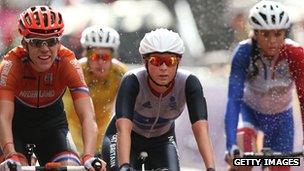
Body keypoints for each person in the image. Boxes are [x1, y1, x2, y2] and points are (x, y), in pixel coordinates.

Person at [0, 5, 106, 171]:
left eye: (51, 41)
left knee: (70, 167)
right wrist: (10, 154)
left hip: (52, 126)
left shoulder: (67, 61)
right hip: (15, 127)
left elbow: (87, 116)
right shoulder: (11, 64)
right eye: (36, 42)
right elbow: (3, 116)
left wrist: (89, 155)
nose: (44, 49)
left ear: (59, 42)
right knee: (15, 167)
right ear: (24, 43)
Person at [101, 28, 216, 171]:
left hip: (162, 140)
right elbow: (123, 129)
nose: (163, 68)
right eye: (156, 61)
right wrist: (124, 166)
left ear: (178, 61)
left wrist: (211, 168)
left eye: (170, 61)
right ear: (145, 62)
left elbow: (201, 130)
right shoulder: (132, 80)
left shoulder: (189, 83)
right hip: (126, 137)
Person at [225, 1, 304, 171]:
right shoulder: (243, 52)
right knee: (244, 162)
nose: (272, 41)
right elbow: (233, 99)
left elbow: (303, 97)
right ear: (254, 33)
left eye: (277, 34)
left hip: (281, 118)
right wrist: (230, 143)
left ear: (285, 32)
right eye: (265, 34)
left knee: (278, 168)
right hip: (249, 112)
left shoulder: (295, 53)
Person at [63, 25, 128, 154]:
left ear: (112, 57)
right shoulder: (76, 71)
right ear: (86, 56)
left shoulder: (121, 74)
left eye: (105, 57)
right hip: (74, 125)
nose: (100, 62)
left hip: (102, 127)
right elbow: (64, 108)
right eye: (94, 57)